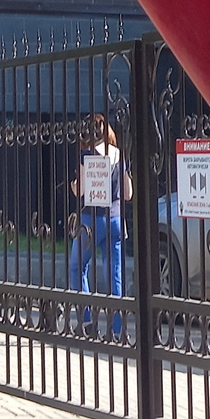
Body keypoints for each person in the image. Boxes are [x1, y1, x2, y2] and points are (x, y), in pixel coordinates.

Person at [71, 114, 130, 300]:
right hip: (115, 218)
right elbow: (128, 194)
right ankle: (118, 326)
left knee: (77, 267)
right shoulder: (119, 155)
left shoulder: (86, 155)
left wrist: (73, 184)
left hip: (91, 219)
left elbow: (80, 191)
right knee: (114, 274)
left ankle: (87, 320)